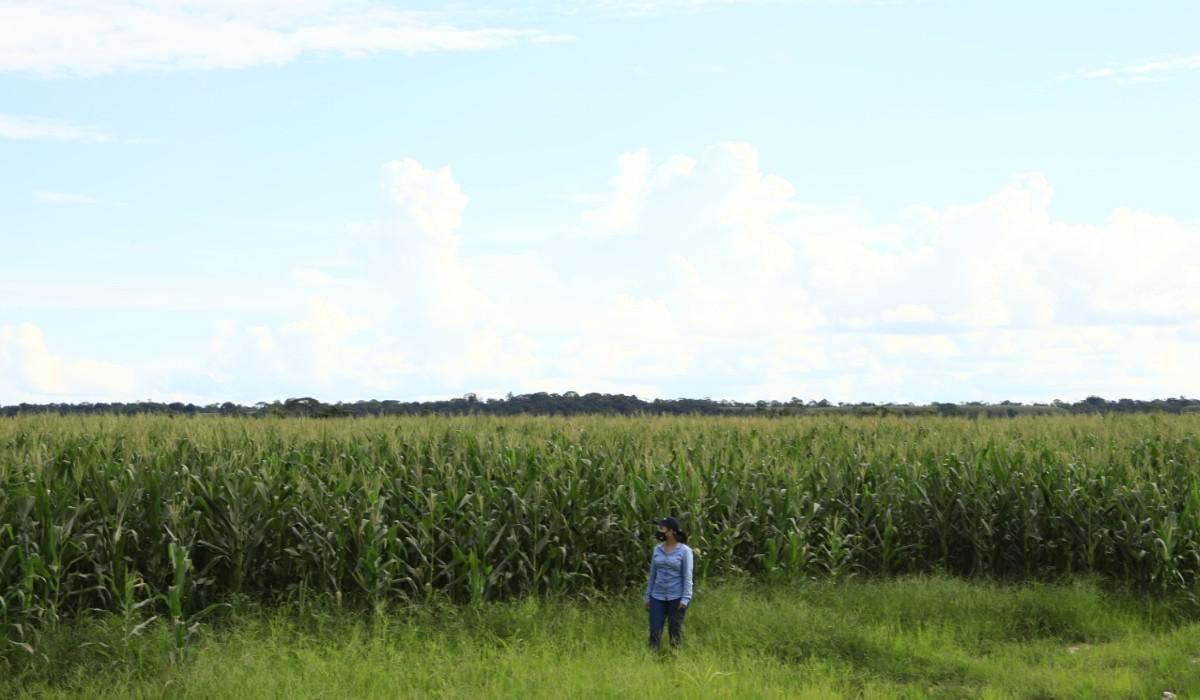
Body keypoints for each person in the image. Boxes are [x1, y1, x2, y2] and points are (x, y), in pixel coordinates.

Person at [643, 516, 694, 651]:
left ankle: (676, 658)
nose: (659, 531)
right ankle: (652, 658)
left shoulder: (684, 551)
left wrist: (685, 598)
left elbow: (687, 577)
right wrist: (648, 596)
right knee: (654, 630)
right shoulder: (657, 549)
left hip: (676, 597)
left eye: (662, 528)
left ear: (671, 531)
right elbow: (653, 575)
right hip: (657, 596)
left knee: (674, 630)